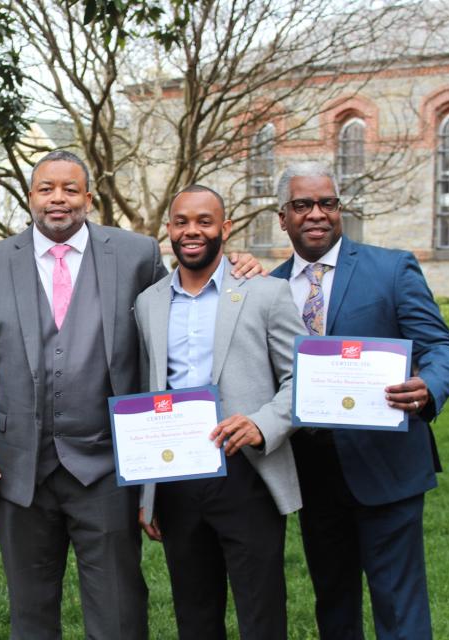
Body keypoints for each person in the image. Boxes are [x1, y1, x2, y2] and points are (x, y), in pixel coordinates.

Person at [0, 151, 262, 639]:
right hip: (16, 466)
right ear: (30, 197)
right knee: (30, 608)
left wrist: (235, 264)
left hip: (106, 464)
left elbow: (177, 312)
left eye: (70, 189)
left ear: (88, 198)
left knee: (118, 607)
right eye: (47, 189)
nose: (59, 199)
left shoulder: (135, 254)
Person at [270, 162, 449, 640]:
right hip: (312, 471)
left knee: (399, 607)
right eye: (302, 205)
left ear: (340, 210)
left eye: (328, 203)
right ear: (283, 217)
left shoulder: (391, 267)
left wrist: (430, 388)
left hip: (388, 464)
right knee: (333, 604)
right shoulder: (265, 288)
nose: (317, 214)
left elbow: (439, 347)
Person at [134, 185, 305, 640]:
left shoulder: (266, 294)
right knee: (194, 614)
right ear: (168, 229)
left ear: (224, 229)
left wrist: (262, 423)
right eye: (182, 222)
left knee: (262, 612)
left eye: (205, 221)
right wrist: (147, 490)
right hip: (177, 478)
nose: (192, 231)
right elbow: (147, 390)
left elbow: (302, 380)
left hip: (247, 474)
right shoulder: (148, 302)